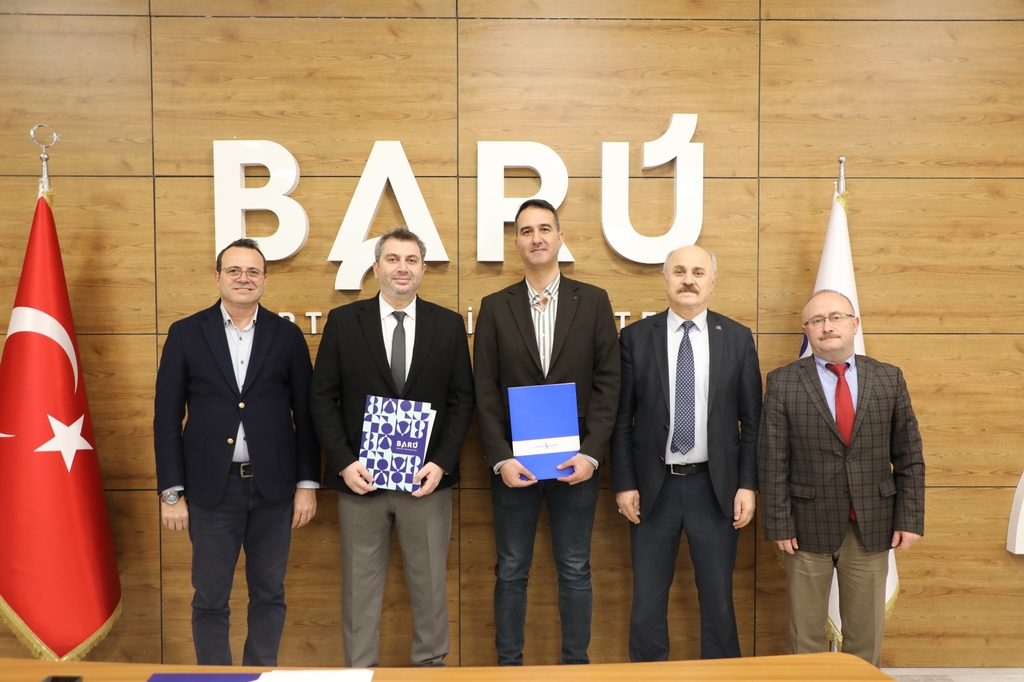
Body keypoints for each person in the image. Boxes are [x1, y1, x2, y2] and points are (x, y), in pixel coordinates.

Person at [310, 226, 474, 668]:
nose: (403, 268)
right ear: (376, 267)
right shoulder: (345, 321)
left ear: (423, 269)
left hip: (426, 482)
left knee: (431, 585)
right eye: (393, 259)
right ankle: (359, 672)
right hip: (360, 481)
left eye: (411, 260)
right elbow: (322, 397)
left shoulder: (447, 324)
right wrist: (344, 462)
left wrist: (442, 462)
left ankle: (431, 669)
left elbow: (462, 399)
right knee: (359, 587)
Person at [154, 237, 320, 666]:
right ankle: (216, 678)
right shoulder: (186, 333)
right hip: (211, 490)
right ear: (217, 277)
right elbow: (166, 418)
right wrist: (171, 492)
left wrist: (307, 484)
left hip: (274, 490)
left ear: (264, 279)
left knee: (269, 593)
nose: (243, 278)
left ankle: (259, 674)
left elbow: (307, 416)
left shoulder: (287, 335)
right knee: (210, 597)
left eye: (252, 271)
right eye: (234, 270)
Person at [473, 198, 620, 666]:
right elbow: (485, 390)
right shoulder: (495, 307)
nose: (535, 238)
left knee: (575, 568)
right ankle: (508, 668)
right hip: (514, 466)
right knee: (511, 569)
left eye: (543, 229)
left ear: (559, 238)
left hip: (576, 464)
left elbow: (608, 383)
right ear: (516, 243)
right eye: (525, 231)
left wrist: (592, 454)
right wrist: (501, 457)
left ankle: (576, 666)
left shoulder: (593, 301)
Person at [758, 289, 925, 667]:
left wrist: (909, 519)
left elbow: (910, 457)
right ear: (806, 330)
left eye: (836, 317)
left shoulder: (888, 378)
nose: (827, 326)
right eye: (817, 320)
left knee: (865, 636)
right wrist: (779, 523)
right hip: (805, 528)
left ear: (855, 323)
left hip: (872, 525)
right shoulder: (783, 381)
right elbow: (772, 461)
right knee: (805, 635)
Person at [610, 245, 762, 661]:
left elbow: (753, 421)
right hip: (652, 489)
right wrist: (624, 484)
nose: (688, 280)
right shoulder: (635, 338)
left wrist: (748, 484)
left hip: (715, 489)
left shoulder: (737, 338)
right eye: (679, 271)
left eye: (698, 272)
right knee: (646, 602)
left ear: (712, 282)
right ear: (666, 280)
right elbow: (621, 420)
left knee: (718, 601)